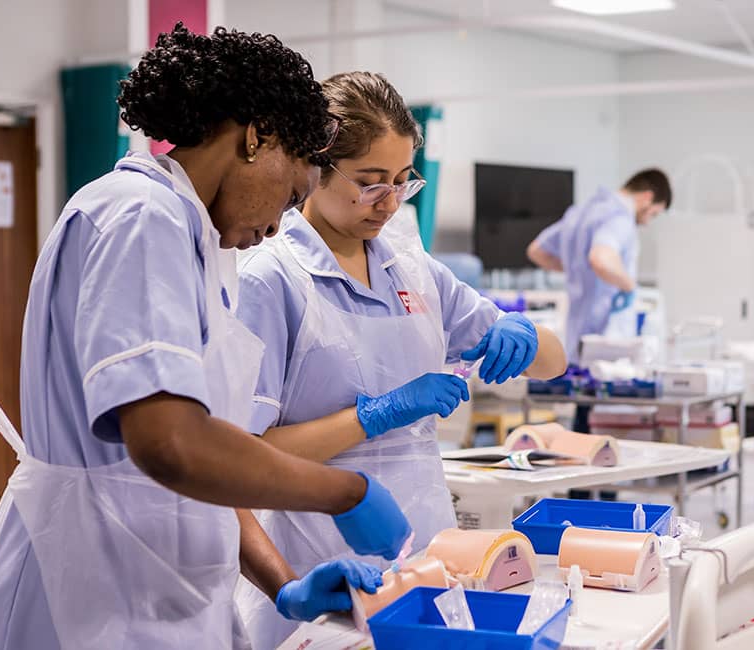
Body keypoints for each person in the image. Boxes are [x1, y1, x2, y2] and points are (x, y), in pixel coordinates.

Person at [0, 26, 410, 650]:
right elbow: (171, 444)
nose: (277, 224)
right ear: (256, 137)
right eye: (290, 195)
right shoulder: (138, 216)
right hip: (89, 592)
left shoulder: (194, 237)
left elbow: (212, 447)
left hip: (158, 582)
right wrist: (345, 492)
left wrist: (282, 584)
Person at [235, 71, 567, 646]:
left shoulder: (412, 268)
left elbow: (554, 363)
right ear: (315, 168)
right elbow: (241, 457)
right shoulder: (271, 279)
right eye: (369, 182)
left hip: (427, 550)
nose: (388, 201)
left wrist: (527, 335)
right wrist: (373, 415)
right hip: (317, 560)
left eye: (401, 181)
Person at [527, 168, 671, 433]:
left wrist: (574, 269)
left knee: (583, 422)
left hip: (577, 342)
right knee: (606, 430)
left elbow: (537, 251)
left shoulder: (581, 212)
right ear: (647, 197)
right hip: (606, 346)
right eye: (653, 214)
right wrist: (629, 285)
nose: (647, 222)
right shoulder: (619, 218)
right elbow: (601, 258)